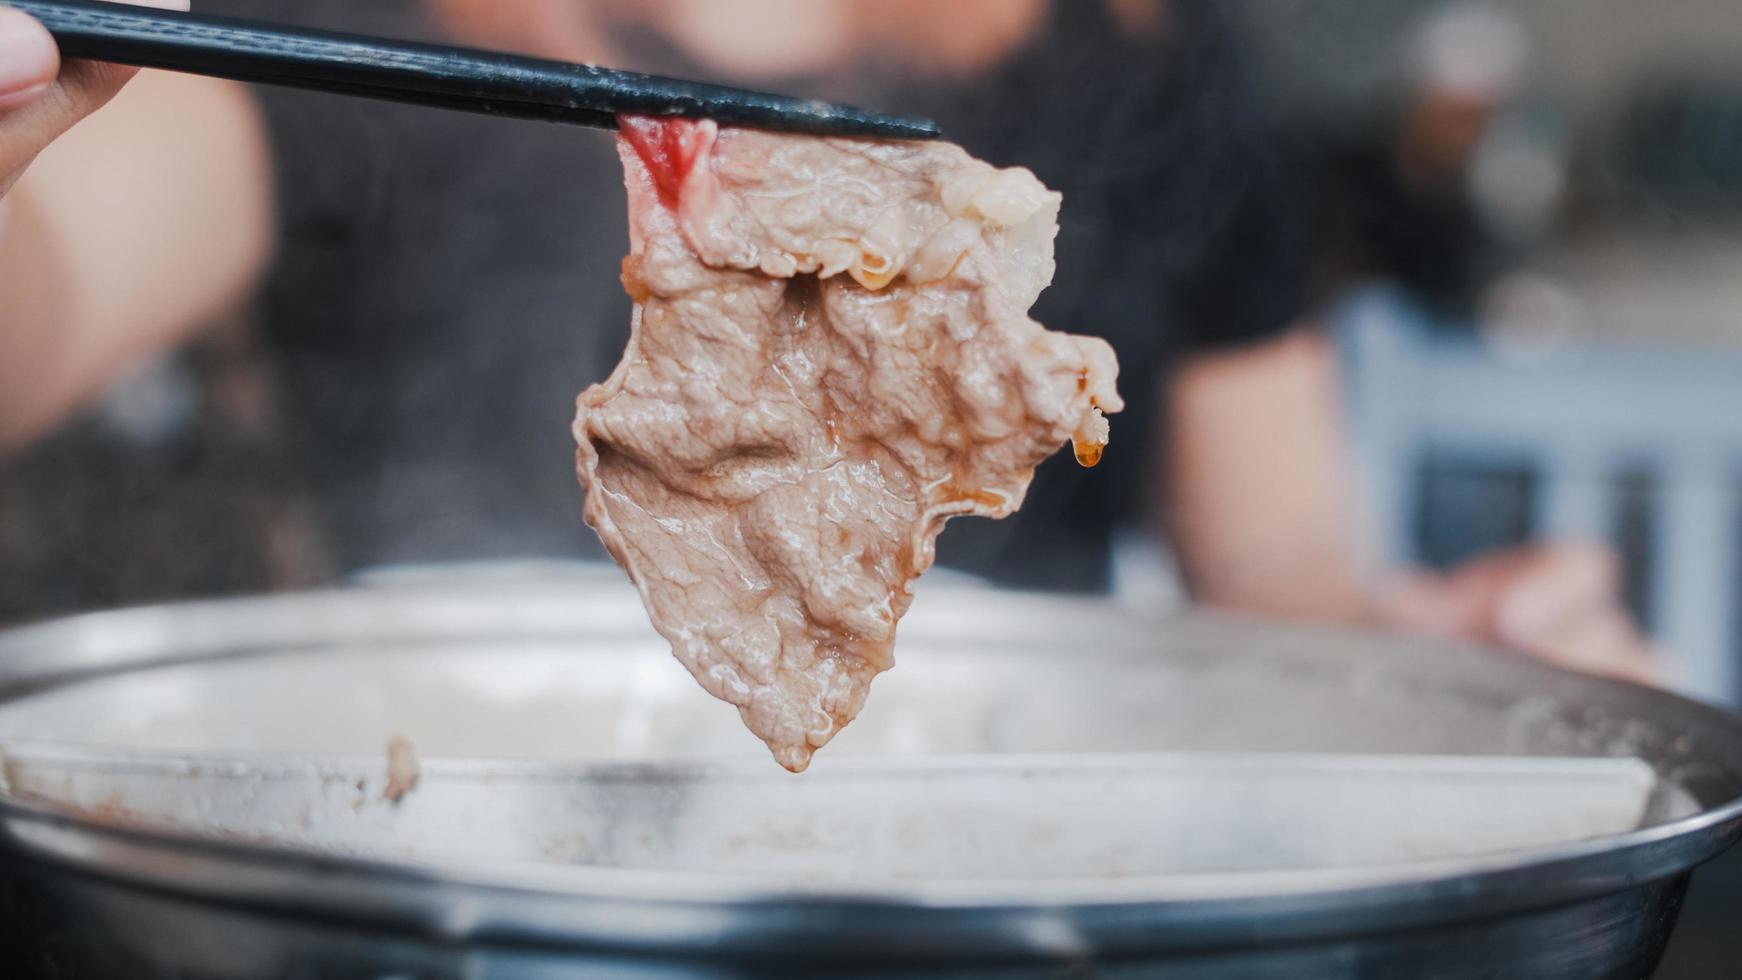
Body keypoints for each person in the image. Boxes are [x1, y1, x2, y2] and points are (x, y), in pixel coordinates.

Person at [0, 0, 1654, 680]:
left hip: (1021, 881)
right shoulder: (356, 36)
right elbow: (42, 299)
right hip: (450, 849)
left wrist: (1449, 655)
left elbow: (1294, 604)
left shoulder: (1145, 63)